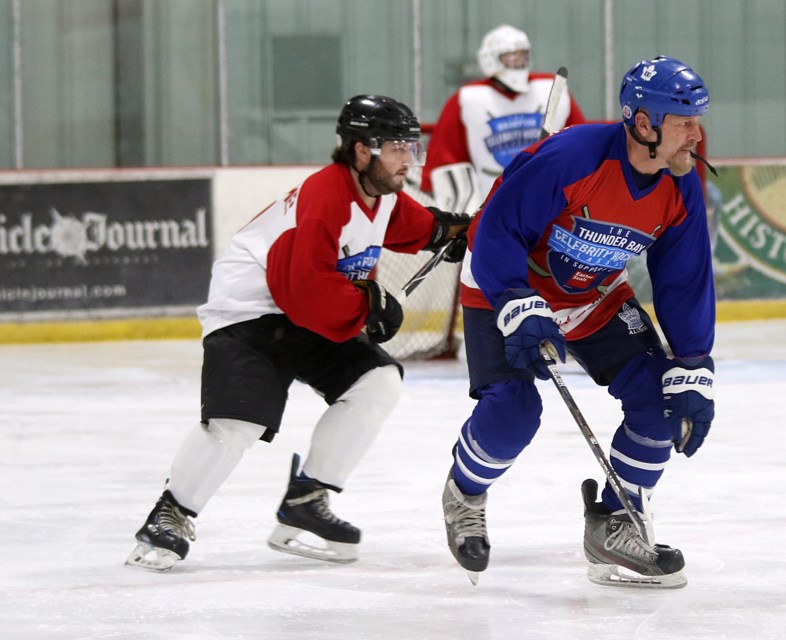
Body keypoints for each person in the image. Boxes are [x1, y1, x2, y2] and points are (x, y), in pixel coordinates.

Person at [126, 95, 471, 572]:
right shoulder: (325, 196)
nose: (408, 160)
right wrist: (368, 304)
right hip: (250, 313)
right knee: (238, 424)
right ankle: (170, 514)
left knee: (377, 382)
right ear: (360, 149)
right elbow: (303, 292)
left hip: (303, 312)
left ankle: (308, 500)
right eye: (396, 148)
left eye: (412, 147)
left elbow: (413, 224)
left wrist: (449, 232)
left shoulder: (379, 196)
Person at [440, 56, 716, 588]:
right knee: (514, 412)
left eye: (697, 121)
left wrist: (693, 361)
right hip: (505, 286)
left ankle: (613, 522)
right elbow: (497, 232)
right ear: (643, 123)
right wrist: (516, 301)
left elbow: (683, 280)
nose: (696, 136)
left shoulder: (679, 185)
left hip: (592, 295)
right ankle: (465, 492)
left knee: (662, 399)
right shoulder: (571, 158)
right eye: (684, 123)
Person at [420, 24, 587, 213]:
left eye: (523, 55)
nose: (518, 62)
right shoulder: (468, 99)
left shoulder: (553, 91)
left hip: (549, 204)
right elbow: (445, 162)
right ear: (490, 59)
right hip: (489, 206)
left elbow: (582, 148)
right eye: (511, 57)